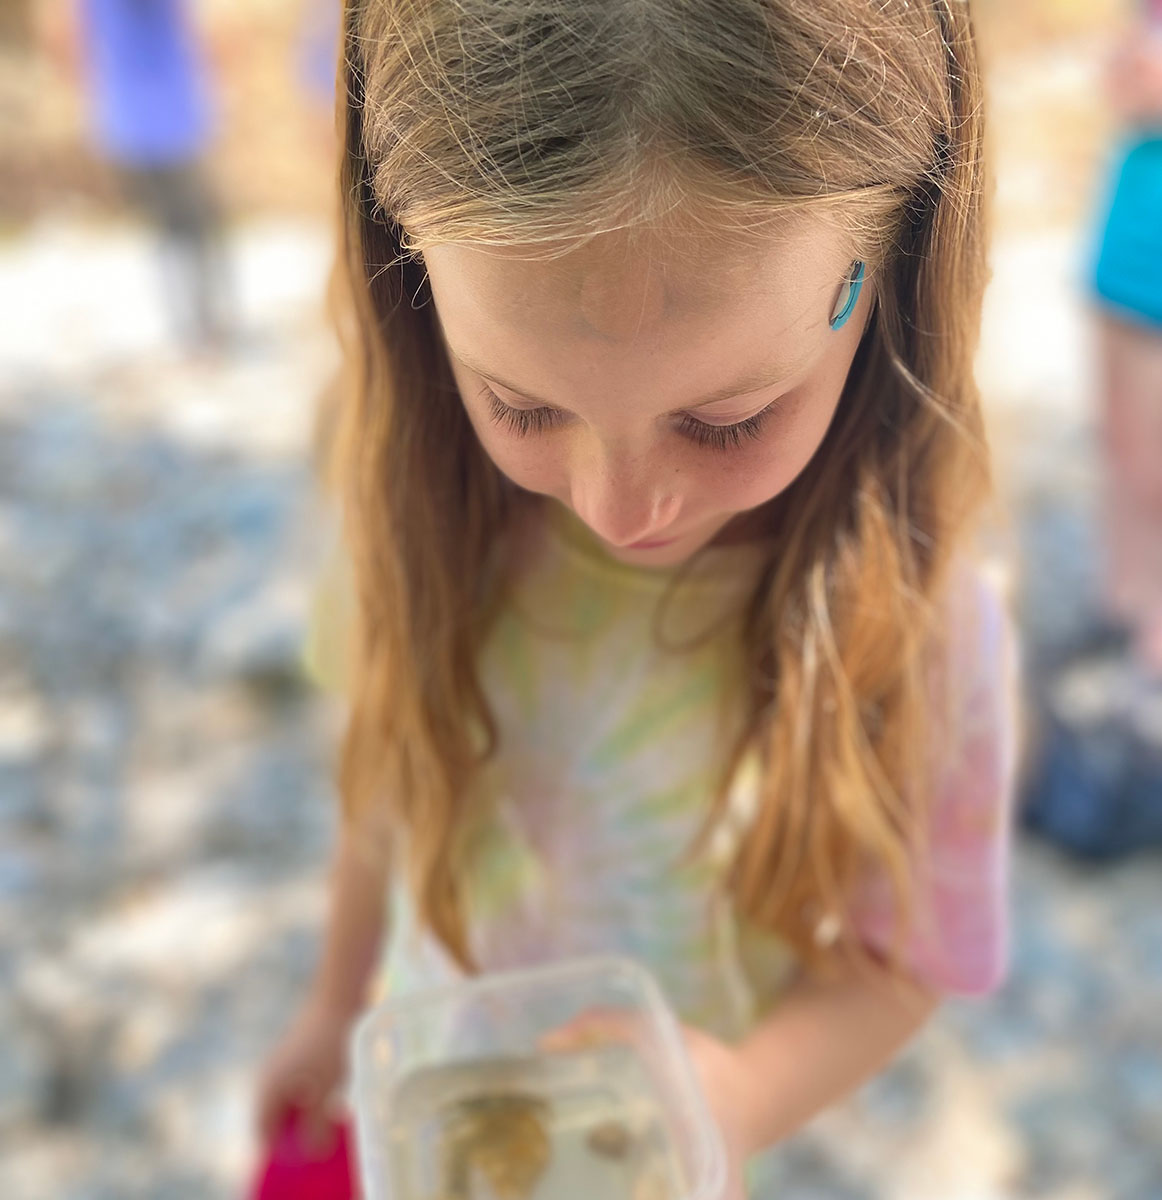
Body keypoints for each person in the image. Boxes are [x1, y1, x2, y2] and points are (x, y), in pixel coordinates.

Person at [257, 1, 1019, 1194]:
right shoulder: (407, 516)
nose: (621, 509)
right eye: (521, 403)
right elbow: (388, 776)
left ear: (892, 264)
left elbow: (903, 959)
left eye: (727, 418)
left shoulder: (924, 629)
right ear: (413, 287)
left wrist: (742, 1097)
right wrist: (329, 1005)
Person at [45, 0, 237, 355]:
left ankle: (192, 326)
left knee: (169, 226)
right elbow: (213, 33)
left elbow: (64, 38)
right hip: (171, 116)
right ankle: (206, 327)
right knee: (193, 224)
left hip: (127, 119)